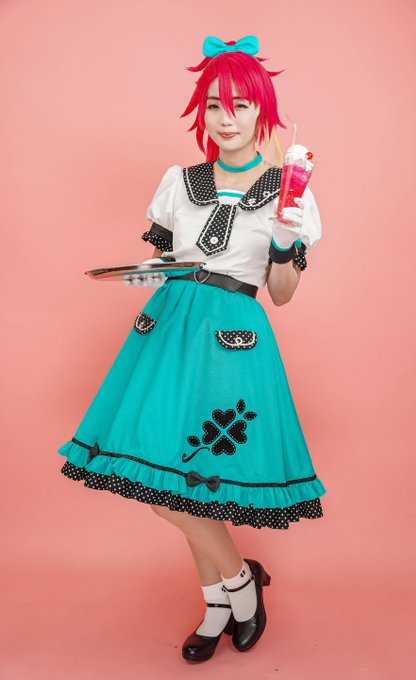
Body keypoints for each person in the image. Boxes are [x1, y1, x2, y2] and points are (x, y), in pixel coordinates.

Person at [57, 34, 327, 663]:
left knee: (195, 479)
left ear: (263, 112)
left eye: (240, 105)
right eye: (213, 105)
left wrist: (284, 243)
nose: (225, 118)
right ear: (200, 112)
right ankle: (234, 588)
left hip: (233, 342)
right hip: (168, 330)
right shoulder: (179, 182)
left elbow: (281, 294)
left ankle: (228, 594)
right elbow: (165, 266)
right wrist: (127, 275)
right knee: (164, 476)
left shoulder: (289, 192)